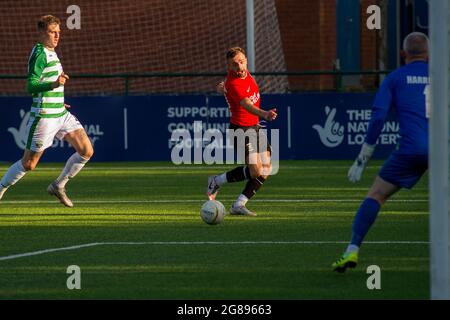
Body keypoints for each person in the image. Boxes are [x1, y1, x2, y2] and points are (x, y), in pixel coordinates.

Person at [332, 32, 429, 272]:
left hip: (412, 149)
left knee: (376, 195)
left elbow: (378, 119)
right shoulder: (442, 75)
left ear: (403, 54)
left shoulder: (395, 78)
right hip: (443, 147)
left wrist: (363, 158)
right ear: (429, 53)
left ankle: (352, 250)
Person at [0, 15, 93, 207]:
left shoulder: (51, 51)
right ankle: (1, 188)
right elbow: (31, 85)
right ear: (42, 32)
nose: (57, 36)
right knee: (29, 164)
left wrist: (58, 99)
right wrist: (53, 84)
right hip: (45, 117)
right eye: (52, 32)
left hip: (60, 113)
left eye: (59, 32)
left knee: (86, 150)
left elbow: (49, 85)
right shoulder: (40, 53)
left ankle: (58, 186)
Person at [207, 47, 277, 216]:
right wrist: (264, 114)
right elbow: (246, 104)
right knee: (255, 171)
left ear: (246, 60)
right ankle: (216, 180)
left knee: (266, 168)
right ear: (229, 67)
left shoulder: (245, 75)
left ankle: (239, 204)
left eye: (241, 61)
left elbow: (227, 89)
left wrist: (222, 88)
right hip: (241, 130)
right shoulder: (233, 83)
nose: (238, 66)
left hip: (255, 128)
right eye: (234, 64)